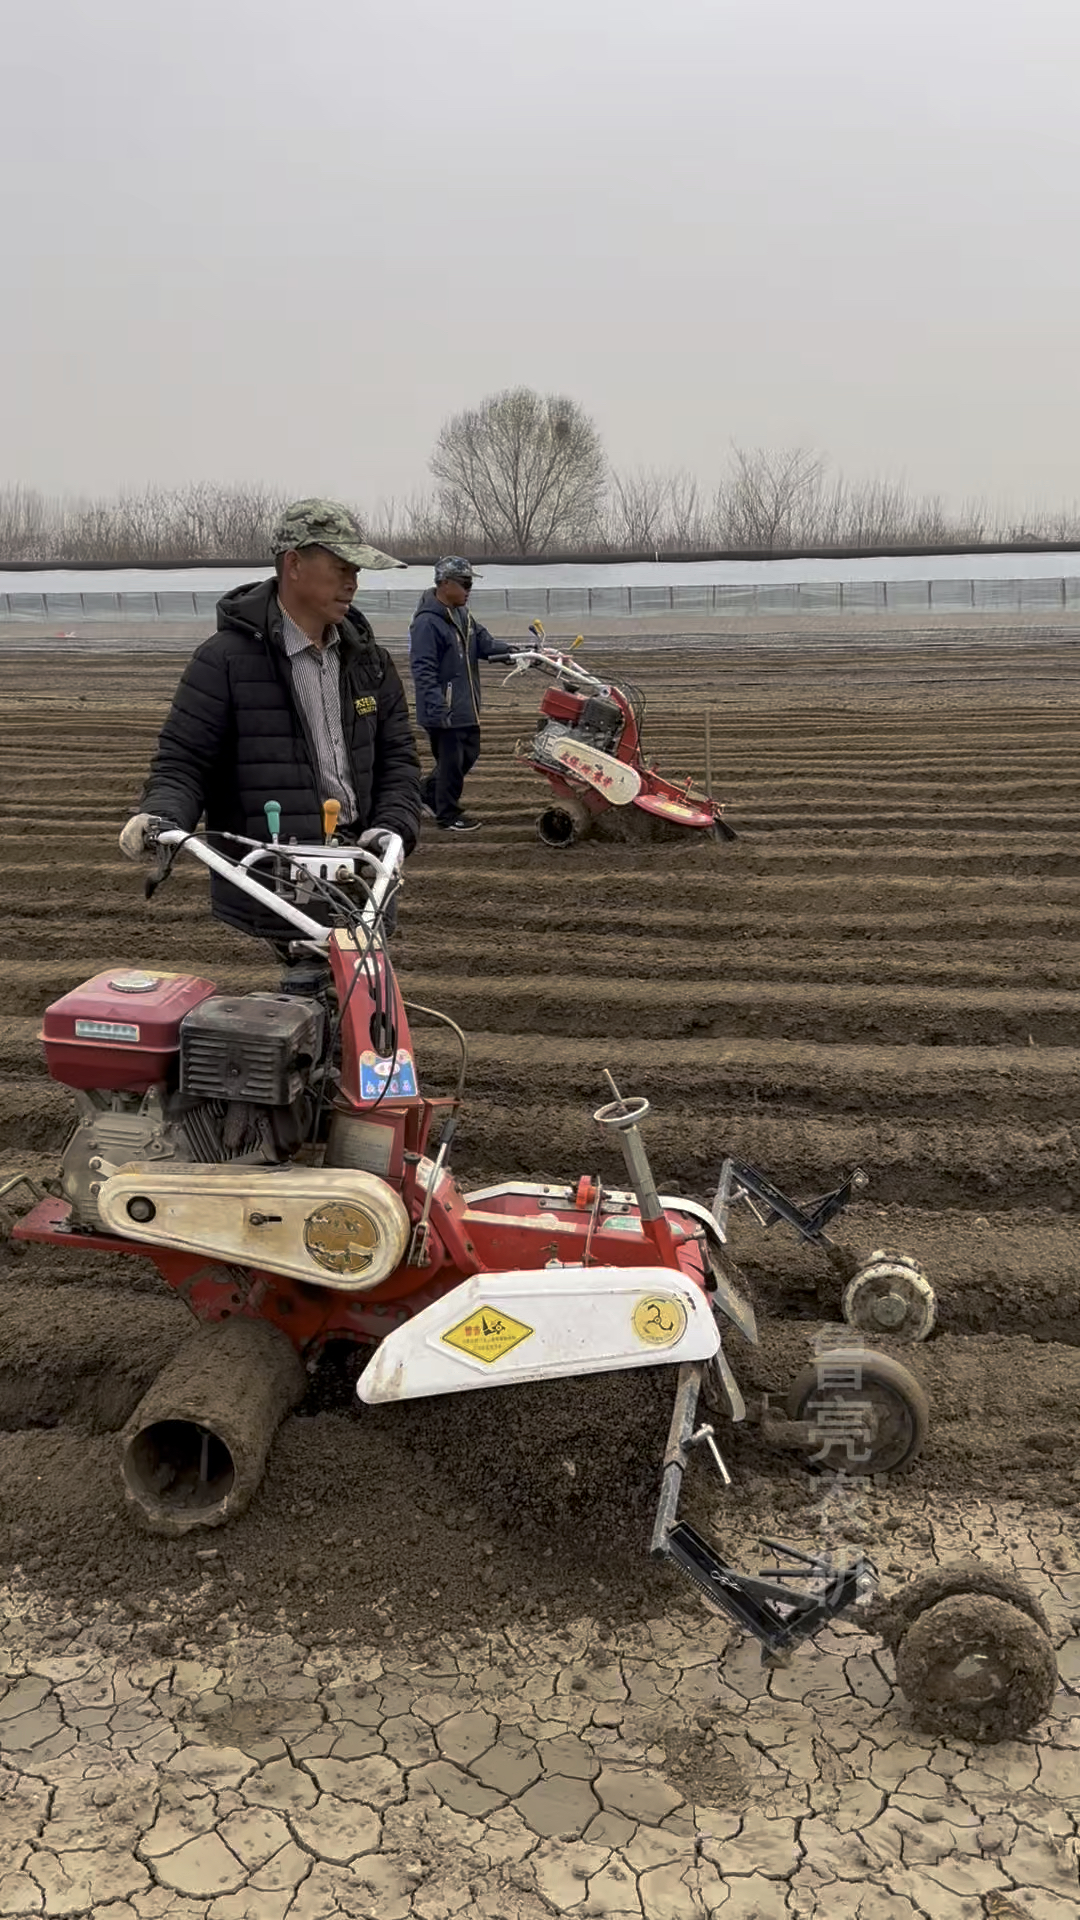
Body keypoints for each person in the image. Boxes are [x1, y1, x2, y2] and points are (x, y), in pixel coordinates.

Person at [118, 498, 422, 1011]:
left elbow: (399, 760)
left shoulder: (368, 661)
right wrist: (161, 818)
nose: (353, 582)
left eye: (356, 571)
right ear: (294, 565)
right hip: (274, 871)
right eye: (341, 567)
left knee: (366, 1011)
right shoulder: (225, 662)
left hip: (358, 866)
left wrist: (392, 828)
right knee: (318, 1003)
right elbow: (184, 762)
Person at [408, 556, 517, 833]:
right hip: (444, 708)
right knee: (451, 763)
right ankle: (447, 815)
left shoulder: (462, 616)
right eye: (465, 583)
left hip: (465, 705)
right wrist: (437, 707)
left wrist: (514, 653)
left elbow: (484, 643)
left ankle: (427, 793)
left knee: (469, 753)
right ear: (445, 583)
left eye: (470, 584)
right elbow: (423, 669)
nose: (469, 590)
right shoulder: (427, 623)